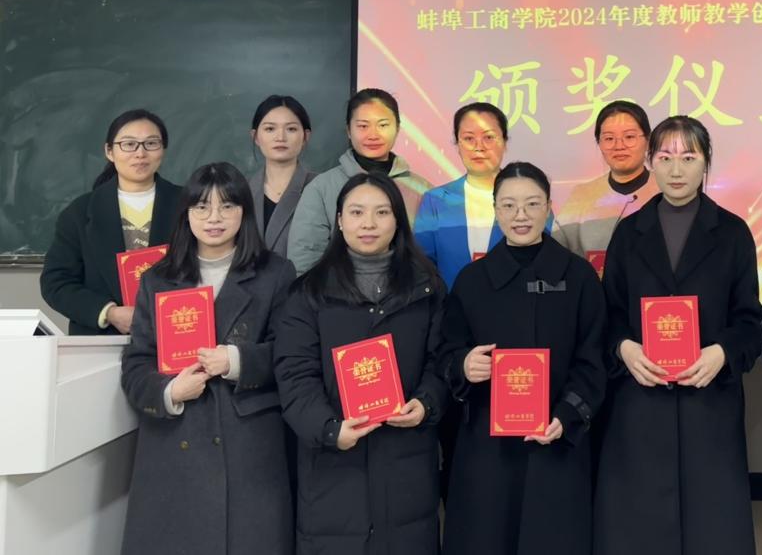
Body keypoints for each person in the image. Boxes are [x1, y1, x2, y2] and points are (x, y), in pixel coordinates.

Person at [594, 116, 762, 555]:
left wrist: (722, 352)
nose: (676, 170)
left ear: (706, 163)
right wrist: (624, 348)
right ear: (650, 161)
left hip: (709, 399)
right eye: (665, 157)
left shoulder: (732, 232)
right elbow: (609, 314)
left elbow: (750, 321)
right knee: (639, 526)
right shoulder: (629, 232)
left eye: (688, 158)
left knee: (713, 526)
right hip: (640, 399)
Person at [119, 162, 296, 555]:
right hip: (175, 443)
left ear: (244, 212)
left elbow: (291, 356)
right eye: (201, 207)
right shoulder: (157, 278)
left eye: (227, 206)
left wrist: (236, 361)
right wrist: (169, 391)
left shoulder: (276, 273)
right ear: (186, 214)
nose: (214, 217)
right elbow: (136, 364)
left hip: (246, 443)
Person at [275, 172, 448, 555]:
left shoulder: (427, 289)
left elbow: (441, 362)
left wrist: (426, 403)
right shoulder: (308, 294)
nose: (368, 223)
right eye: (356, 212)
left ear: (398, 220)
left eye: (381, 212)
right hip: (334, 467)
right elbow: (294, 375)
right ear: (339, 220)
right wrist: (329, 429)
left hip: (407, 465)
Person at [438, 162, 606, 555]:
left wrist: (566, 415)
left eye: (532, 204)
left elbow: (593, 358)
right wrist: (464, 364)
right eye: (509, 205)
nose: (521, 215)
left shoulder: (579, 277)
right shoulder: (471, 280)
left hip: (558, 442)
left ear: (548, 207)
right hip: (487, 449)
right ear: (495, 210)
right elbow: (446, 352)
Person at [41, 108, 181, 335]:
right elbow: (56, 283)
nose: (140, 153)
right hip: (100, 340)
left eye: (151, 143)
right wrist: (109, 313)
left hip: (176, 334)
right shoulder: (80, 212)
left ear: (163, 149)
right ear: (109, 151)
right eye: (129, 144)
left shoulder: (190, 206)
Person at [288, 87, 430, 274]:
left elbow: (430, 256)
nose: (373, 135)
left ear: (397, 128)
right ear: (348, 130)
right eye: (363, 126)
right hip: (336, 290)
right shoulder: (321, 188)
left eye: (383, 125)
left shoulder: (423, 190)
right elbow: (305, 257)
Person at [414, 102, 511, 290]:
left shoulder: (529, 199)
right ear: (458, 144)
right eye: (468, 138)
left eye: (489, 137)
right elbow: (421, 265)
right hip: (451, 305)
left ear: (504, 142)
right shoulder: (435, 201)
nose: (479, 147)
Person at [555, 100, 659, 255]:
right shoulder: (581, 196)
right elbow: (557, 253)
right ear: (599, 143)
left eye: (629, 137)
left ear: (648, 140)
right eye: (609, 139)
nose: (619, 146)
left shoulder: (667, 189)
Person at [247, 94, 318, 259]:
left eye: (291, 129)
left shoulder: (322, 188)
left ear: (306, 136)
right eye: (270, 129)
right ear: (255, 137)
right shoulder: (241, 190)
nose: (280, 137)